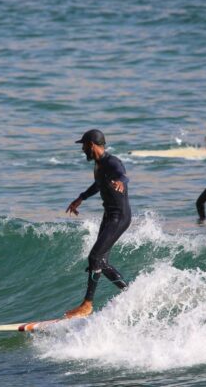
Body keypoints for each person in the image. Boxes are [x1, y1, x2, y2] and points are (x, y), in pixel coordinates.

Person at [65, 129, 131, 318]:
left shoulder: (112, 162)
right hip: (109, 216)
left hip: (120, 217)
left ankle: (87, 305)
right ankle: (129, 293)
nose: (83, 149)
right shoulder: (98, 165)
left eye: (84, 145)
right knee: (101, 261)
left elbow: (122, 174)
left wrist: (120, 181)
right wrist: (81, 198)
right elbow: (98, 184)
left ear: (92, 145)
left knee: (94, 257)